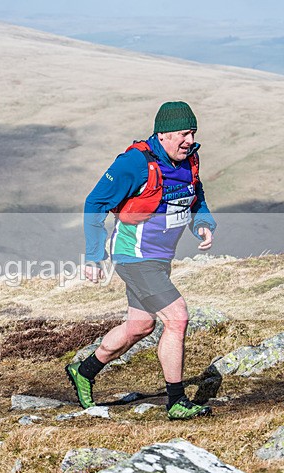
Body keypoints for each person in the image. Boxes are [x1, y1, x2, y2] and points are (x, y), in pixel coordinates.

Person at [67, 101, 217, 420]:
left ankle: (84, 370)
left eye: (192, 133)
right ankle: (176, 401)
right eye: (182, 134)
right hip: (134, 257)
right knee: (177, 317)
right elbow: (94, 203)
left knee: (140, 326)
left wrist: (202, 222)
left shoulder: (190, 159)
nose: (189, 140)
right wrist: (94, 256)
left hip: (159, 259)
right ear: (161, 135)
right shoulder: (135, 163)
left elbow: (195, 193)